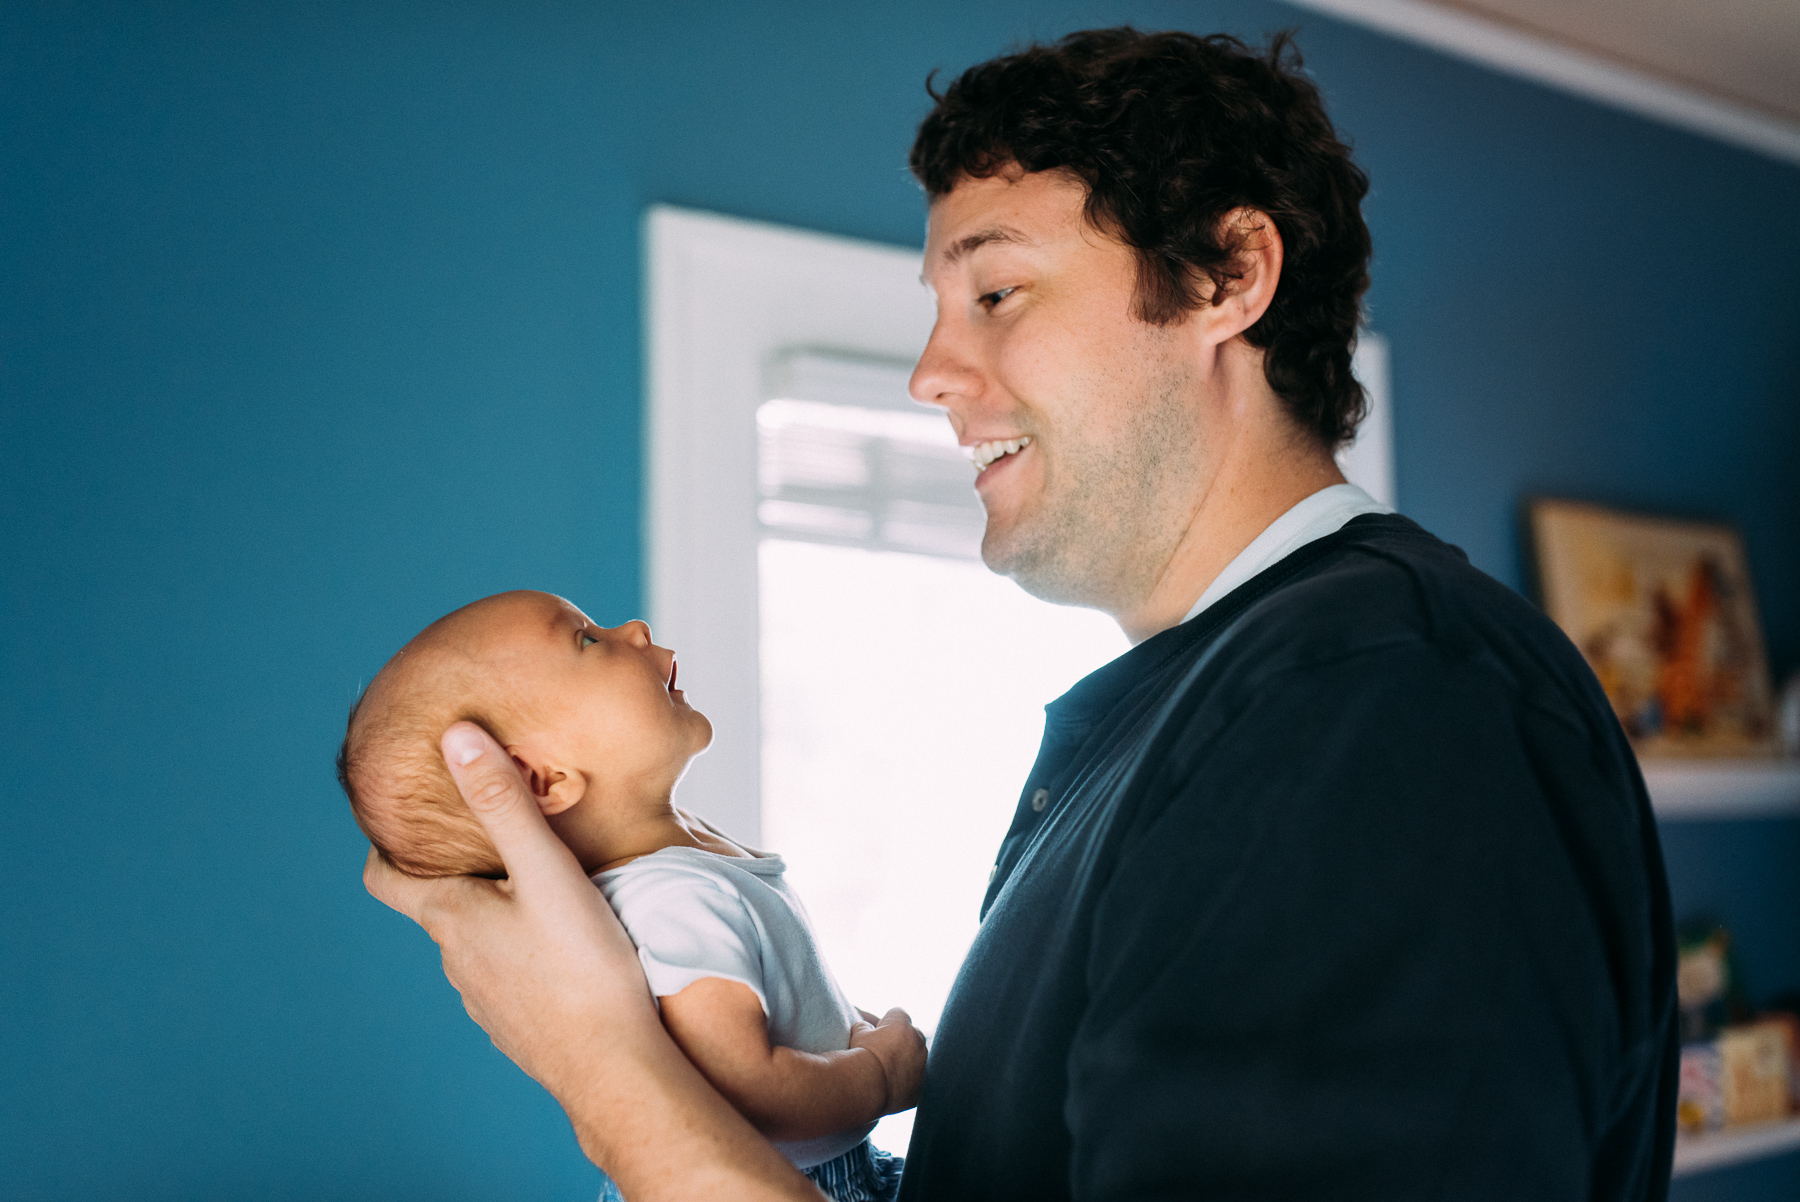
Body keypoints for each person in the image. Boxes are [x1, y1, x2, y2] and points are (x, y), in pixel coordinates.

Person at [366, 27, 1678, 1201]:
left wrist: (606, 1077)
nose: (935, 373)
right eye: (941, 313)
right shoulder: (1213, 712)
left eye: (997, 292)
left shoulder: (1382, 704)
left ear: (1229, 273)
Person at [339, 590, 920, 1201]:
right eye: (587, 639)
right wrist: (877, 1075)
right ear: (542, 779)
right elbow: (747, 1085)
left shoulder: (684, 862)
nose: (635, 628)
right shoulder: (672, 902)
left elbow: (782, 995)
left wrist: (847, 1024)